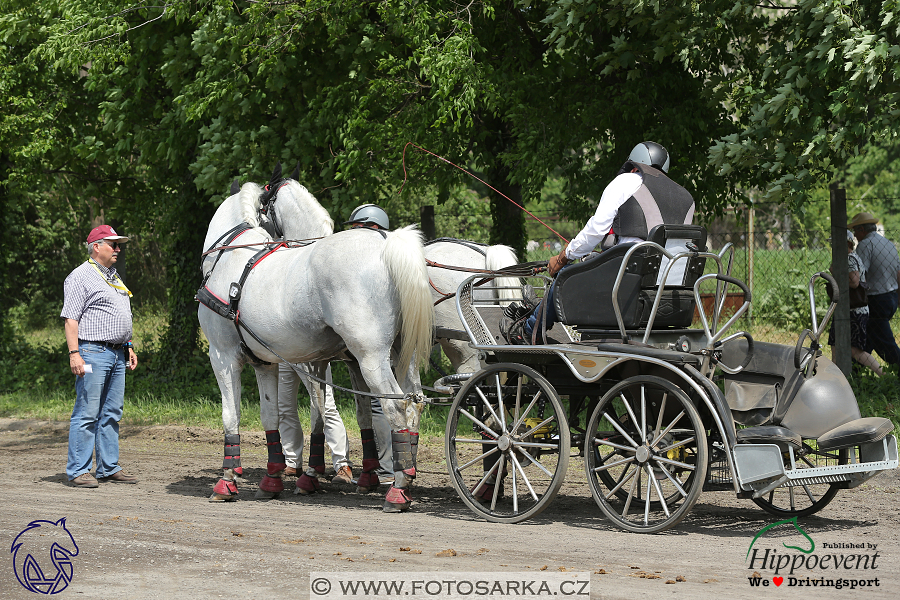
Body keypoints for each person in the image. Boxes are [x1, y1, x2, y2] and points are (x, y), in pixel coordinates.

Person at [501, 141, 695, 344]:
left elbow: (596, 229)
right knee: (589, 262)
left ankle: (527, 330)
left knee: (566, 277)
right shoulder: (685, 196)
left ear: (635, 164)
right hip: (670, 293)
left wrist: (562, 257)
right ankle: (540, 308)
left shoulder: (627, 180)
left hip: (627, 289)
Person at [62, 225, 139, 488]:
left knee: (112, 412)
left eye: (119, 245)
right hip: (92, 352)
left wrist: (128, 344)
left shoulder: (114, 276)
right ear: (96, 246)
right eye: (113, 244)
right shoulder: (80, 276)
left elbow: (118, 315)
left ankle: (107, 468)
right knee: (87, 411)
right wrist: (74, 354)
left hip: (117, 354)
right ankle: (78, 470)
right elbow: (71, 319)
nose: (118, 249)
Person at [277, 363, 353, 483]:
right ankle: (292, 462)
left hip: (310, 352)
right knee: (284, 409)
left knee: (327, 407)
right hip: (281, 352)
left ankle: (342, 465)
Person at [828, 230, 883, 376]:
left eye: (835, 243)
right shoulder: (848, 258)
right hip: (846, 309)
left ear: (846, 243)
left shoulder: (849, 259)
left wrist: (836, 273)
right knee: (835, 346)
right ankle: (837, 381)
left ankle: (883, 375)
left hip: (854, 311)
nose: (833, 246)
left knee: (854, 350)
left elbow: (854, 282)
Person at [850, 212, 900, 366]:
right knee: (869, 338)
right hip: (891, 297)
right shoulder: (887, 243)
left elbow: (859, 273)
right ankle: (855, 371)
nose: (854, 236)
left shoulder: (865, 244)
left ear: (862, 229)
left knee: (885, 343)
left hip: (876, 300)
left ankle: (897, 369)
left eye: (855, 231)